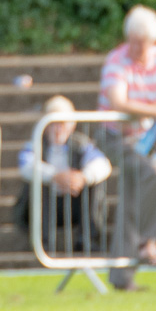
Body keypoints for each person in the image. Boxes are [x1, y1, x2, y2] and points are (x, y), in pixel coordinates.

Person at [95, 5, 156, 290]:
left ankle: (121, 277)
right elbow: (118, 102)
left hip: (143, 139)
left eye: (142, 44)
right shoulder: (116, 59)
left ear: (153, 41)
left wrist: (149, 112)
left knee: (132, 199)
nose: (136, 48)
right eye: (133, 41)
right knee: (153, 174)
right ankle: (149, 240)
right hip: (115, 137)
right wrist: (155, 112)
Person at [15, 95, 111, 252]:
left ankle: (87, 240)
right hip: (43, 206)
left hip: (73, 202)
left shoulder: (81, 144)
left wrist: (82, 177)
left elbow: (102, 164)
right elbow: (26, 165)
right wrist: (54, 176)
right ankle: (43, 243)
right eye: (54, 124)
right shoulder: (35, 145)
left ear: (72, 125)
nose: (58, 129)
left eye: (63, 123)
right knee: (38, 183)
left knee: (95, 184)